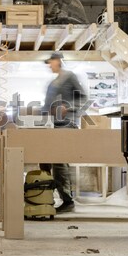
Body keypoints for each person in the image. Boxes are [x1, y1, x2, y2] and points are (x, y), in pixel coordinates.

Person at [40, 52, 87, 213]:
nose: (49, 65)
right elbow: (46, 107)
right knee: (44, 159)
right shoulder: (52, 83)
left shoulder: (69, 76)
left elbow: (84, 98)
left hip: (67, 124)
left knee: (59, 161)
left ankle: (67, 200)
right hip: (52, 125)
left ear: (58, 61)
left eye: (50, 62)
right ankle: (45, 197)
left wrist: (69, 107)